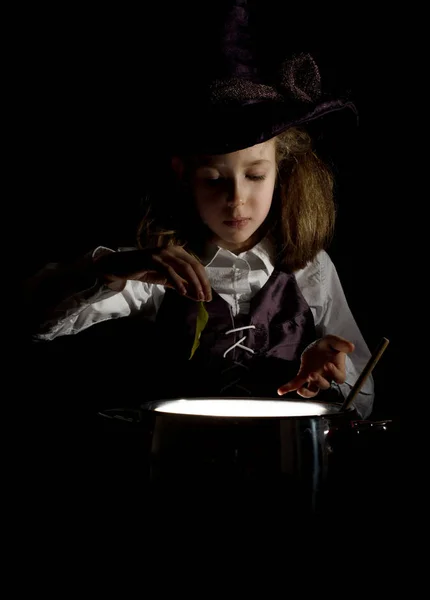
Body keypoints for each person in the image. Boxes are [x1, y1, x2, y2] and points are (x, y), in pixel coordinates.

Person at [22, 1, 374, 419]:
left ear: (281, 170)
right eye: (213, 178)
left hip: (282, 460)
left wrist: (337, 371)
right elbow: (34, 324)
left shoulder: (310, 268)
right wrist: (114, 269)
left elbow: (366, 392)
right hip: (180, 460)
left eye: (255, 176)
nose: (236, 198)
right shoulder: (159, 270)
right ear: (183, 175)